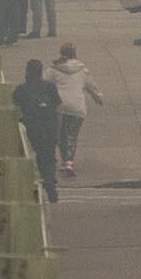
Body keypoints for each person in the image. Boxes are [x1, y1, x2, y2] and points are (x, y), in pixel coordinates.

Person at [12, 58, 63, 201]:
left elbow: (14, 109)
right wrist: (57, 127)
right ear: (41, 71)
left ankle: (32, 185)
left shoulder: (21, 90)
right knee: (48, 156)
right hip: (48, 126)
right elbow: (57, 108)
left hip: (30, 127)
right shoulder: (50, 87)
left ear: (27, 72)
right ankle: (49, 180)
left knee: (28, 157)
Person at [52, 49, 100, 181]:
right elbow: (91, 86)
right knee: (72, 135)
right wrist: (98, 97)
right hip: (77, 107)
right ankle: (69, 162)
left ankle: (65, 159)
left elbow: (45, 83)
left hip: (60, 105)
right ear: (75, 54)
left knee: (61, 135)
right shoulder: (82, 70)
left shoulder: (54, 68)